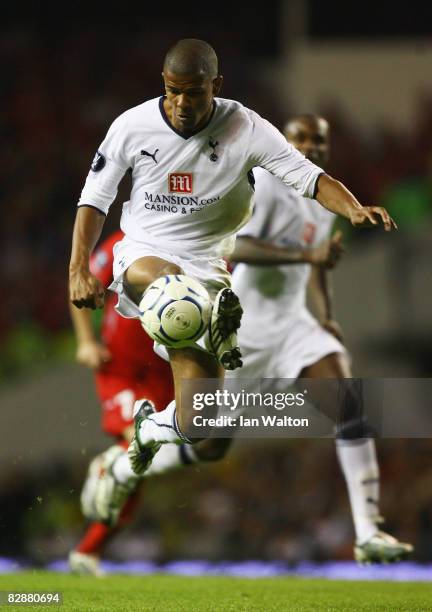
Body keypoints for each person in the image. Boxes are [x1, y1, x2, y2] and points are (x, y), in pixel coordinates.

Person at [68, 38, 396, 525]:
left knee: (200, 427)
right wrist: (77, 270)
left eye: (194, 93)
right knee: (177, 295)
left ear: (215, 86)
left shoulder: (245, 127)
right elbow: (94, 201)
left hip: (208, 269)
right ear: (164, 84)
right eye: (173, 91)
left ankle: (146, 436)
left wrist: (352, 207)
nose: (181, 103)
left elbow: (308, 177)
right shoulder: (131, 127)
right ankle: (202, 316)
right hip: (143, 255)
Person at [228, 114, 412, 563]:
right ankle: (148, 438)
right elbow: (236, 248)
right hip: (243, 331)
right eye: (300, 139)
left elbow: (316, 267)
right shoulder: (262, 184)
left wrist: (326, 317)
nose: (310, 146)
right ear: (283, 144)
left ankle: (369, 532)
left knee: (350, 405)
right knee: (204, 438)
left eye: (319, 141)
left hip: (292, 326)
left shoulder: (321, 197)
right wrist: (308, 253)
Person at [68, 230, 229, 574]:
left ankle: (88, 548)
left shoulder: (207, 244)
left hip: (168, 367)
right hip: (124, 367)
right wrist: (85, 341)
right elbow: (81, 286)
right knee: (132, 442)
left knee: (203, 443)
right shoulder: (124, 242)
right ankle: (89, 548)